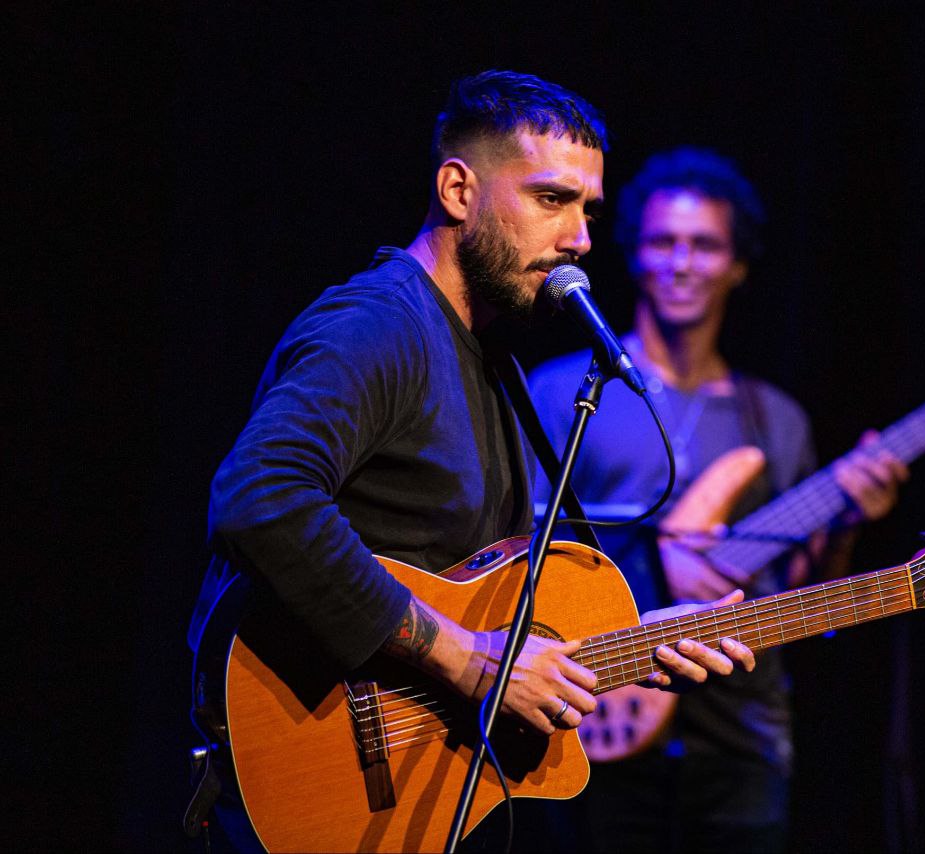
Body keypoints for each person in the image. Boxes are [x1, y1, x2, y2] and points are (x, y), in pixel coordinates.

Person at [188, 73, 756, 851]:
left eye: (588, 211)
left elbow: (475, 589)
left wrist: (630, 640)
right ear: (458, 190)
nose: (581, 239)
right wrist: (472, 665)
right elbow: (261, 499)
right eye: (551, 199)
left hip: (414, 794)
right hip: (310, 770)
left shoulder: (492, 360)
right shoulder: (377, 326)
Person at [526, 147, 910, 852]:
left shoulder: (776, 420)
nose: (682, 263)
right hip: (593, 722)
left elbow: (797, 593)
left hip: (741, 740)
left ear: (737, 266)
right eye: (663, 242)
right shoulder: (559, 392)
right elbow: (512, 554)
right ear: (634, 255)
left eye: (704, 246)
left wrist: (849, 523)